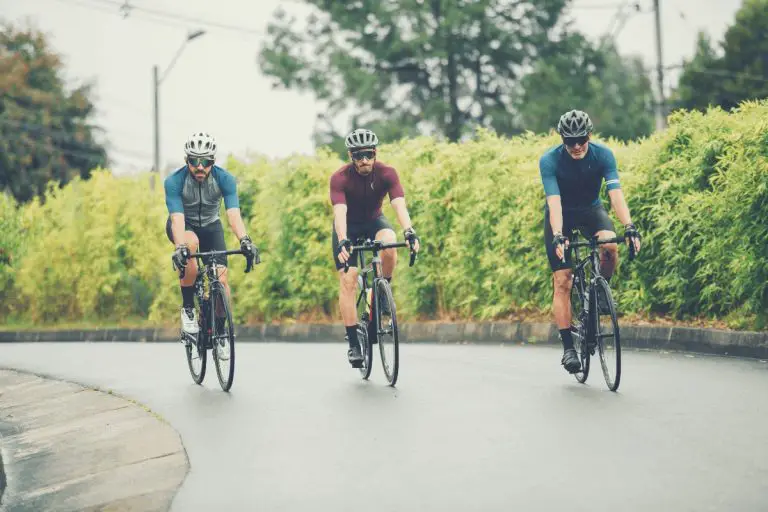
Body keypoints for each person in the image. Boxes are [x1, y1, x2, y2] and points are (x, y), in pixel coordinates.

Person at [539, 110, 642, 373]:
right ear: (561, 139)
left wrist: (629, 226)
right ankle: (568, 349)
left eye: (581, 139)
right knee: (562, 280)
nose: (575, 146)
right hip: (561, 215)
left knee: (609, 245)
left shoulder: (603, 155)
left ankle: (599, 290)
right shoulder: (549, 161)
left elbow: (615, 194)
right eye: (569, 141)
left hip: (591, 211)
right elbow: (554, 202)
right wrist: (559, 235)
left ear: (589, 136)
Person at [329, 128, 421, 367]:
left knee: (390, 243)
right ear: (351, 156)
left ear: (375, 153)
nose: (364, 161)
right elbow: (340, 212)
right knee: (348, 280)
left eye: (368, 154)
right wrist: (342, 239)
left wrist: (409, 231)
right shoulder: (340, 178)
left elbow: (398, 204)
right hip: (347, 228)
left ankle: (381, 292)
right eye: (358, 156)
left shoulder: (387, 173)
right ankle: (353, 343)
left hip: (373, 221)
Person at [164, 131, 259, 337]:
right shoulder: (174, 181)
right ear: (186, 160)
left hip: (211, 226)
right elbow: (177, 218)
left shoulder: (225, 179)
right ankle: (188, 309)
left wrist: (245, 240)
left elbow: (233, 214)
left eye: (205, 162)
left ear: (213, 161)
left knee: (222, 279)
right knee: (190, 244)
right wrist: (180, 247)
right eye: (194, 161)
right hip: (184, 225)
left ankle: (221, 331)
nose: (200, 167)